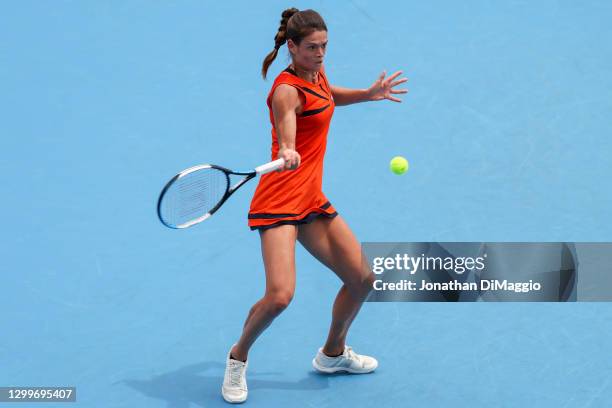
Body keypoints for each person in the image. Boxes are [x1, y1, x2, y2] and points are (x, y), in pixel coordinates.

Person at [222, 8, 407, 403]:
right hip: (279, 202)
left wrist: (367, 94)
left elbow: (327, 98)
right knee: (279, 297)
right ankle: (237, 358)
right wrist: (287, 149)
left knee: (362, 280)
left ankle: (333, 354)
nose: (321, 53)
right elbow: (287, 118)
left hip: (310, 199)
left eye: (324, 45)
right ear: (292, 48)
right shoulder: (286, 90)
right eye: (312, 48)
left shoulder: (315, 74)